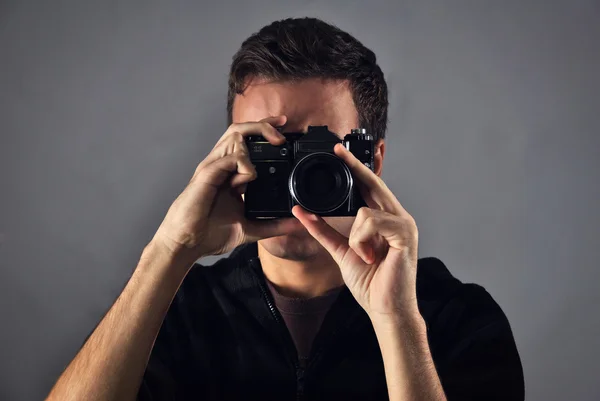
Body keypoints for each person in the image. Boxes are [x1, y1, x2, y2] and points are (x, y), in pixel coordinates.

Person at [46, 17, 524, 401]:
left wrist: (397, 323)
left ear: (372, 160)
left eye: (317, 154)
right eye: (270, 148)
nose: (298, 177)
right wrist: (169, 251)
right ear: (231, 153)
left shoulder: (458, 318)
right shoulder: (177, 312)